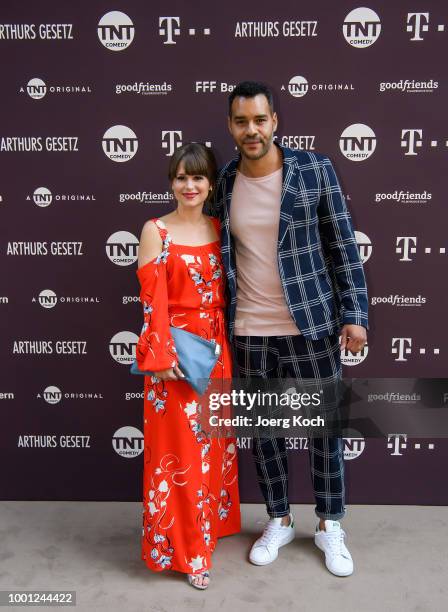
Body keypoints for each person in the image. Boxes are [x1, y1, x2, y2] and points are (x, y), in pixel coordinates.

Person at [211, 81, 368, 577]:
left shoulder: (315, 170)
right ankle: (277, 517)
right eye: (241, 121)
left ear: (275, 121)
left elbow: (344, 246)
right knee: (266, 432)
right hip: (249, 331)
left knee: (326, 429)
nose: (251, 130)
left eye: (260, 119)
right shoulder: (225, 180)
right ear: (231, 125)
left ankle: (328, 524)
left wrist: (355, 315)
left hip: (313, 325)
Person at [135, 142, 241, 589]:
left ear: (210, 183)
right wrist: (159, 358)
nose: (189, 185)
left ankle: (204, 532)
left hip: (217, 351)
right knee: (177, 457)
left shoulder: (221, 227)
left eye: (197, 177)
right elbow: (150, 301)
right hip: (175, 357)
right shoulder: (155, 229)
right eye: (181, 177)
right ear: (171, 183)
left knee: (211, 450)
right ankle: (188, 552)